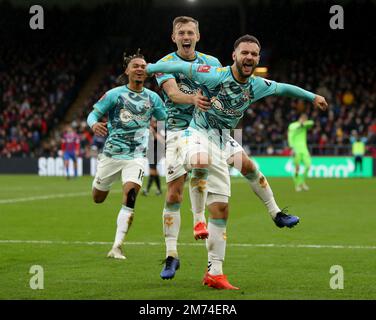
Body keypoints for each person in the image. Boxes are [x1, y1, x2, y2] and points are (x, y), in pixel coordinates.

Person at [147, 34, 328, 289]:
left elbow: (284, 88)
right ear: (234, 55)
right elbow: (178, 66)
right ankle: (198, 220)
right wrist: (152, 68)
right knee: (200, 161)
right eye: (245, 53)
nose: (249, 57)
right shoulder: (215, 74)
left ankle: (219, 269)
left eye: (254, 54)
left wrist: (312, 97)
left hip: (223, 139)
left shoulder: (256, 85)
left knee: (231, 195)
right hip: (195, 134)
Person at [87, 50, 166, 260]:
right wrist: (94, 124)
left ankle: (117, 246)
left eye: (143, 66)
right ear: (127, 71)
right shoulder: (115, 94)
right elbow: (93, 114)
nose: (140, 69)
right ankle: (98, 182)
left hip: (137, 156)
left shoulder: (153, 98)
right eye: (136, 66)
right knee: (98, 198)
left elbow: (166, 118)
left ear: (147, 72)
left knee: (131, 195)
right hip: (112, 154)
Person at [287, 114, 314, 191]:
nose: (304, 121)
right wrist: (291, 148)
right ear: (300, 118)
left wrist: (303, 124)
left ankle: (302, 182)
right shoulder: (292, 125)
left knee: (308, 165)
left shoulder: (305, 125)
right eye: (303, 119)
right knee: (297, 168)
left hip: (304, 149)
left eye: (305, 120)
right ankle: (297, 185)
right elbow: (290, 136)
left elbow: (311, 123)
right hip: (296, 149)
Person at [142, 118, 164, 196]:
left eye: (154, 121)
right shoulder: (147, 129)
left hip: (156, 153)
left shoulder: (159, 129)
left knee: (152, 170)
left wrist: (153, 132)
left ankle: (147, 190)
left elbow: (161, 140)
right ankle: (158, 190)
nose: (152, 122)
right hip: (150, 153)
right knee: (154, 171)